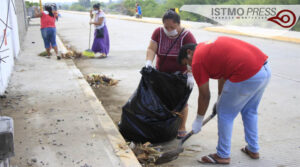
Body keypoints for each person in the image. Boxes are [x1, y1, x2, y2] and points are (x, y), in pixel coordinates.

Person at [177, 36, 271, 164]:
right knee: (250, 111)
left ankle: (222, 154)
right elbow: (224, 74)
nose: (190, 67)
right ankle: (253, 149)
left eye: (187, 63)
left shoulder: (197, 60)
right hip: (264, 70)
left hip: (247, 73)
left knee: (225, 114)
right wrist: (220, 99)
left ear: (189, 52)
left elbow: (204, 95)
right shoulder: (208, 47)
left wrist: (198, 120)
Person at [145, 9, 197, 139]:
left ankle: (181, 126)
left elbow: (193, 55)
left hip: (180, 76)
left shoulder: (187, 36)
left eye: (172, 27)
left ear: (179, 24)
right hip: (161, 74)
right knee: (161, 100)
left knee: (180, 102)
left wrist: (190, 74)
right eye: (166, 27)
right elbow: (151, 48)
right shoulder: (158, 32)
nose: (169, 30)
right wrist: (148, 62)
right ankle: (164, 124)